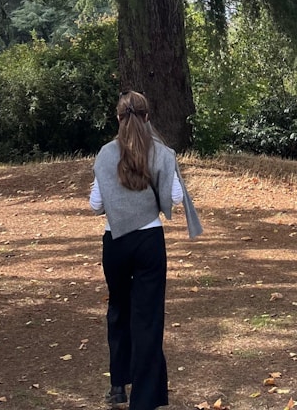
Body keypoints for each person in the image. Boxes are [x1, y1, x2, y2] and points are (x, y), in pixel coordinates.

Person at [90, 90, 196, 410]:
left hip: (115, 241)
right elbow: (175, 197)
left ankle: (118, 385)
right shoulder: (161, 152)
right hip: (149, 241)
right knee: (147, 318)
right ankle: (144, 399)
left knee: (118, 309)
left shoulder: (105, 154)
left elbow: (96, 205)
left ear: (118, 118)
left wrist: (116, 200)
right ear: (148, 117)